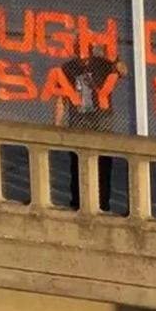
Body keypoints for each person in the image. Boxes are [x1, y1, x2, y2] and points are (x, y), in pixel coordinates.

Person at [55, 41, 127, 212]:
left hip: (101, 121)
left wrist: (114, 57)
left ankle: (102, 203)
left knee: (102, 164)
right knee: (78, 164)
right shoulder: (68, 68)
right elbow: (61, 98)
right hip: (79, 121)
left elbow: (123, 71)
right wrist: (57, 124)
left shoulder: (103, 64)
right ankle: (78, 201)